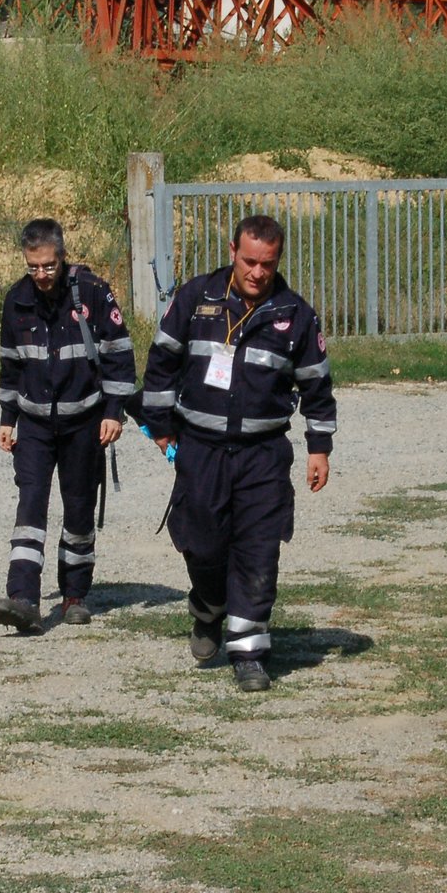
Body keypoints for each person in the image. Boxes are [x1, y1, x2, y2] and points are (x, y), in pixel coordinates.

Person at [141, 214, 337, 692]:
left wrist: (319, 448)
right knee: (202, 542)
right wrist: (161, 426)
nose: (257, 272)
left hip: (263, 454)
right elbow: (162, 363)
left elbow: (317, 386)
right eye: (249, 261)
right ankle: (208, 609)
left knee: (258, 549)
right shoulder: (194, 299)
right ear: (232, 250)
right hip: (201, 449)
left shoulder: (295, 314)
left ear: (278, 260)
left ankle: (249, 651)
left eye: (267, 264)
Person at [0, 219, 137, 632]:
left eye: (48, 266)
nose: (41, 275)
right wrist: (8, 419)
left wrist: (114, 411)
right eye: (33, 266)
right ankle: (22, 597)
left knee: (78, 509)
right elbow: (10, 366)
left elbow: (119, 354)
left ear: (62, 256)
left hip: (84, 422)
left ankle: (74, 595)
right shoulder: (16, 300)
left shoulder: (92, 292)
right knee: (30, 507)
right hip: (35, 425)